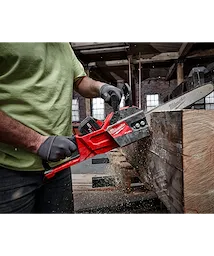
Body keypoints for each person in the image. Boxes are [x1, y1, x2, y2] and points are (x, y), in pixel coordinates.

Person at [0, 40, 123, 216]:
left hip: (59, 166)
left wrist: (99, 87)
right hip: (11, 169)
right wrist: (36, 142)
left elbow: (79, 80)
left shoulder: (62, 43)